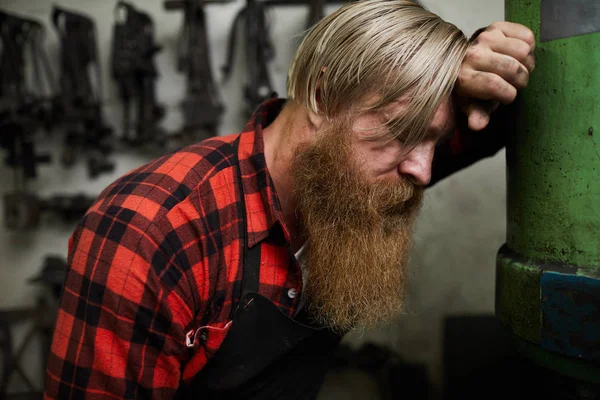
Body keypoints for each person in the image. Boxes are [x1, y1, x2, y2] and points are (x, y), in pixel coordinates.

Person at [44, 0, 535, 398]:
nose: (424, 171)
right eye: (400, 133)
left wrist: (485, 59)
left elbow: (498, 123)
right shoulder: (152, 235)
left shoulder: (365, 181)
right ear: (322, 97)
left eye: (435, 140)